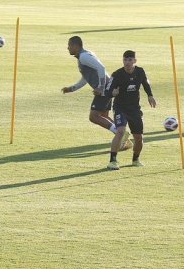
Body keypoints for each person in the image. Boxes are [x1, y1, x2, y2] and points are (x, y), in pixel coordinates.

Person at [61, 35, 132, 170]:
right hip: (108, 86)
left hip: (105, 87)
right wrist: (72, 88)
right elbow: (86, 77)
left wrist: (100, 86)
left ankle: (120, 134)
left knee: (93, 116)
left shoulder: (83, 57)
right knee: (103, 115)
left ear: (76, 46)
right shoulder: (84, 55)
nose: (68, 48)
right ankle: (123, 138)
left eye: (69, 45)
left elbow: (101, 67)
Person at [108, 50, 157, 167]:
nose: (127, 62)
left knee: (138, 137)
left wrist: (150, 95)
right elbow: (108, 89)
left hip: (134, 109)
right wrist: (112, 92)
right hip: (120, 107)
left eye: (130, 60)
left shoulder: (140, 72)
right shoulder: (117, 74)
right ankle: (113, 161)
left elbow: (145, 83)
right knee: (120, 131)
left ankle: (135, 160)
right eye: (125, 60)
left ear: (135, 61)